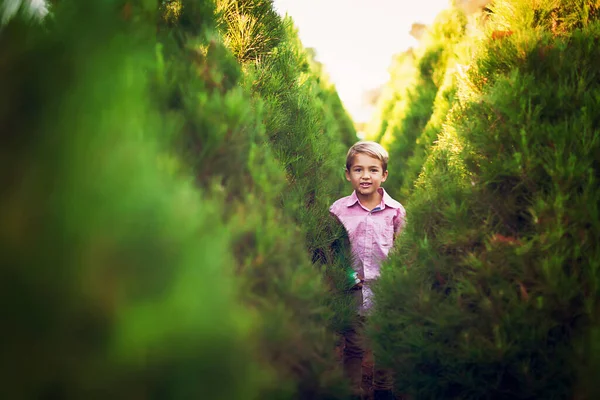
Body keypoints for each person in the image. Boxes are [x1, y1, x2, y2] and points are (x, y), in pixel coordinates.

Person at [329, 141, 406, 400]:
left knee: (385, 343)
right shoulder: (338, 210)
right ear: (347, 173)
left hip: (384, 290)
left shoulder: (395, 211)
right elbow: (332, 251)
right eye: (358, 169)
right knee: (353, 345)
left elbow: (402, 249)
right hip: (351, 290)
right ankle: (352, 391)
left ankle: (384, 389)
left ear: (384, 175)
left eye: (373, 170)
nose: (365, 176)